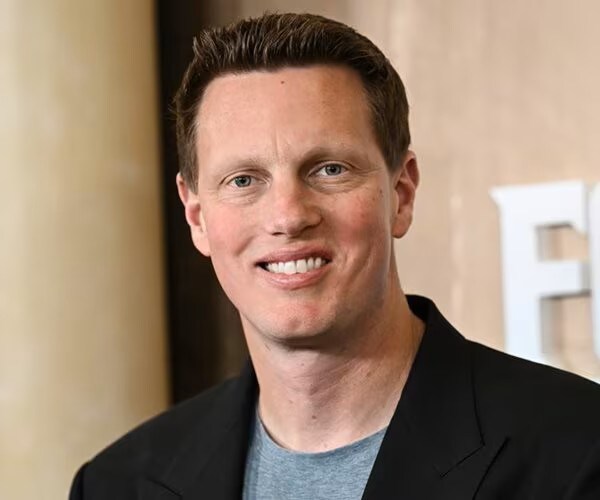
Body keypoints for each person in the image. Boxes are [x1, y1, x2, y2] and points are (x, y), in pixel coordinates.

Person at [70, 13, 600, 500]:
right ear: (197, 217)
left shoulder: (578, 450)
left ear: (401, 194)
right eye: (244, 180)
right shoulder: (115, 486)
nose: (288, 216)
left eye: (329, 170)